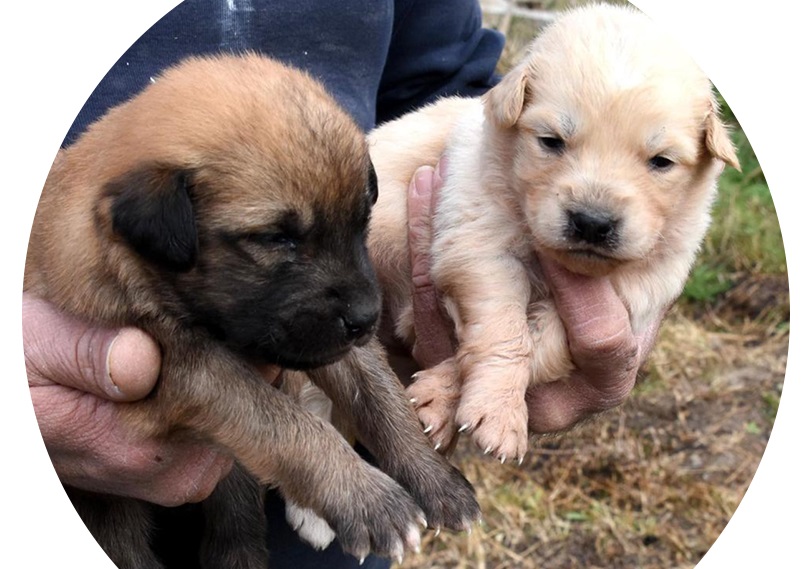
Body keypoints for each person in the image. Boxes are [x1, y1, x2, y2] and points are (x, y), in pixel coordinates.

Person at [23, 0, 659, 567]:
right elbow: (189, 370)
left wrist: (603, 272)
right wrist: (344, 480)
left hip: (306, 530)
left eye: (352, 221)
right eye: (277, 240)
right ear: (158, 226)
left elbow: (456, 99)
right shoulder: (138, 216)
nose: (361, 302)